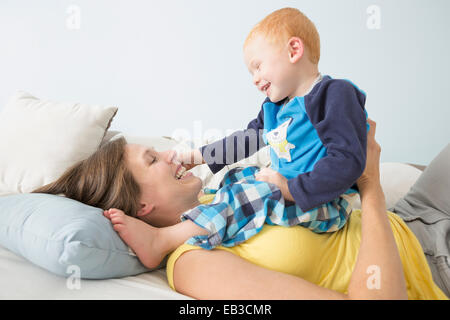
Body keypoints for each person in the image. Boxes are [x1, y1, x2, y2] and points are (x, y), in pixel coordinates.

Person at [33, 119, 447, 299]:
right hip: (429, 269)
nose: (170, 155)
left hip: (415, 213)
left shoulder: (223, 194)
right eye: (153, 160)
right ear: (142, 206)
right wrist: (370, 187)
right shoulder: (193, 262)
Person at [177, 7, 369, 234]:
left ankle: (175, 235)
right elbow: (246, 139)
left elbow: (347, 160)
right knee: (235, 176)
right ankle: (209, 207)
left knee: (246, 194)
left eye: (257, 66)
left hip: (323, 202)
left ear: (294, 50)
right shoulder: (275, 107)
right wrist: (198, 156)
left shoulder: (334, 94)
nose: (255, 80)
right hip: (287, 187)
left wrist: (290, 189)